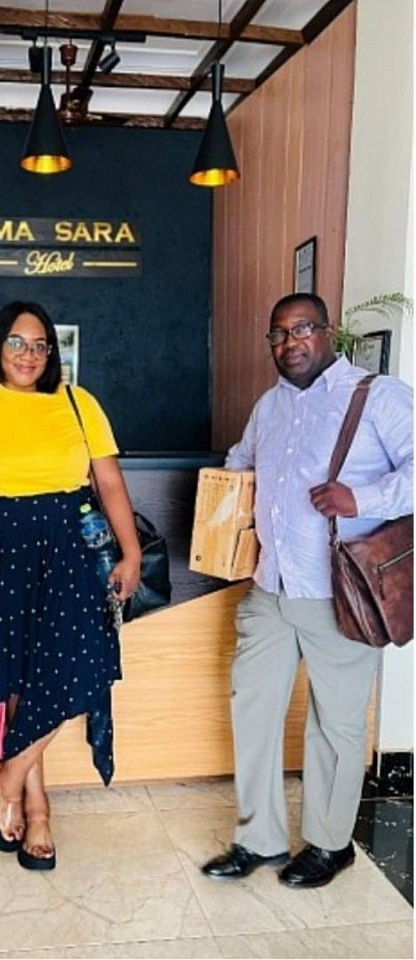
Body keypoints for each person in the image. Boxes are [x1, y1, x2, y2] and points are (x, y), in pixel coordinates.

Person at [202, 292, 413, 889]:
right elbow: (240, 462)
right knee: (253, 711)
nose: (289, 343)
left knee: (336, 724)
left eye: (302, 329)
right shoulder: (269, 406)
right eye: (279, 334)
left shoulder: (377, 397)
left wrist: (360, 499)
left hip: (341, 592)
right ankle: (258, 839)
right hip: (270, 588)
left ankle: (329, 844)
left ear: (328, 331)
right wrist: (228, 493)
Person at [0, 301, 140, 871]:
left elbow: (110, 484)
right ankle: (36, 806)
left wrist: (130, 552)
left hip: (70, 557)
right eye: (16, 342)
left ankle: (7, 777)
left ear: (52, 353)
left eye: (39, 345)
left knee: (81, 667)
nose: (28, 355)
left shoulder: (79, 404)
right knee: (17, 682)